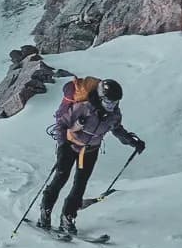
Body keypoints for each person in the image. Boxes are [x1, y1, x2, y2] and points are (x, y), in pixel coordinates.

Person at [40, 77, 144, 235]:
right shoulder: (84, 107)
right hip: (69, 146)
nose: (112, 106)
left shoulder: (114, 115)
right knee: (60, 178)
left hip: (90, 151)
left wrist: (132, 141)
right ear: (101, 97)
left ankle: (67, 217)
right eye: (109, 102)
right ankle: (45, 211)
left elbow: (116, 129)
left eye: (115, 102)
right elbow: (61, 124)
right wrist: (62, 145)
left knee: (80, 185)